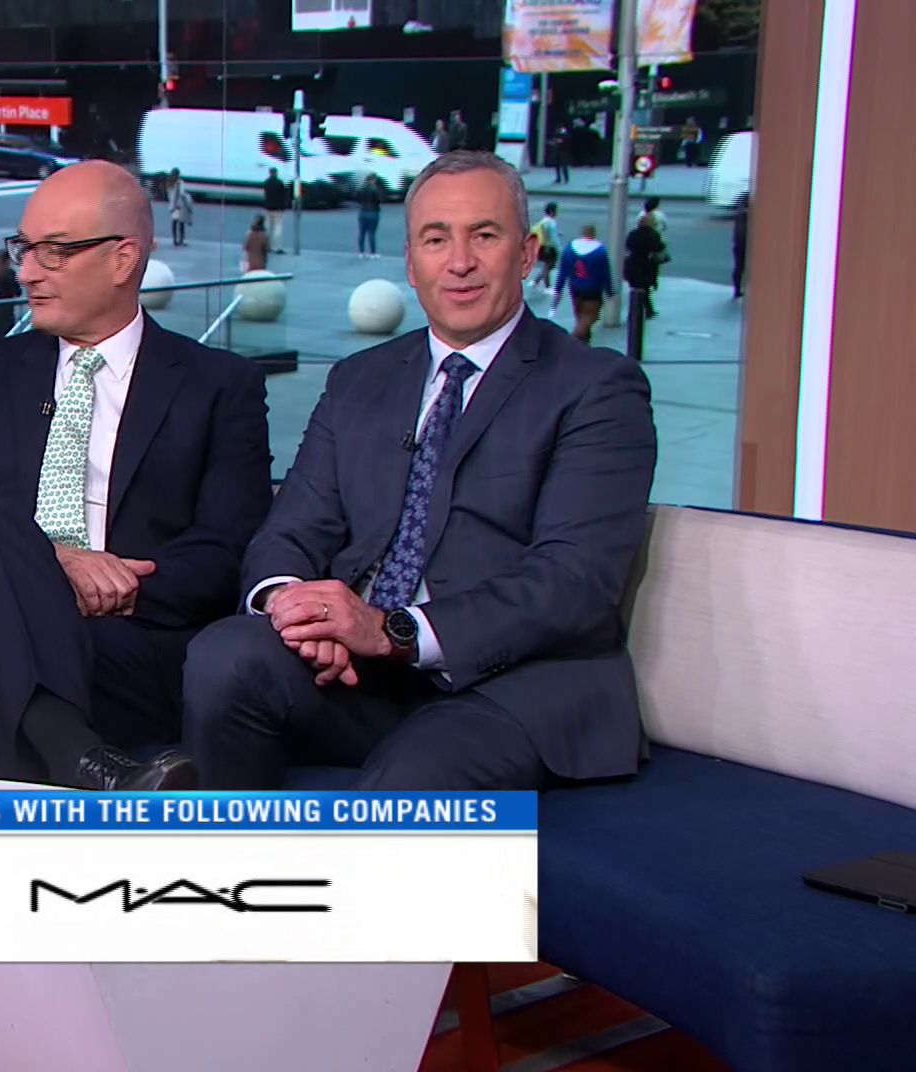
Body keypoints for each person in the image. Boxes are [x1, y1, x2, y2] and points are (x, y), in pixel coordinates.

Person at [182, 151, 657, 792]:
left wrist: (394, 631)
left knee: (416, 773)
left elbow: (573, 580)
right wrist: (294, 607)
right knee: (224, 656)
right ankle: (227, 856)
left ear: (526, 254)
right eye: (436, 240)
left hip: (513, 685)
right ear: (411, 263)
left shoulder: (597, 388)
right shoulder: (360, 380)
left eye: (483, 236)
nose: (459, 262)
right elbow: (292, 527)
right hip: (362, 670)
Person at [0, 161, 273, 791]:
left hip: (125, 643)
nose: (26, 272)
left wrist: (112, 586)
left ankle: (60, 765)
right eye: (23, 249)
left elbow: (226, 550)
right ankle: (85, 760)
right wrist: (48, 566)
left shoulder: (219, 386)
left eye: (54, 251)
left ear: (124, 259)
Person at [555, 223, 615, 343]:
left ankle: (584, 344)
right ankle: (573, 341)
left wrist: (558, 288)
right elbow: (605, 273)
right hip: (593, 289)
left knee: (580, 316)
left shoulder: (570, 248)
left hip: (575, 287)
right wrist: (610, 292)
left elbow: (563, 270)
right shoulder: (600, 250)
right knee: (589, 316)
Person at [623, 210, 668, 322]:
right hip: (646, 264)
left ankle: (642, 310)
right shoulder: (653, 234)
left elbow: (628, 245)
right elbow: (658, 247)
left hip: (632, 264)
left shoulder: (633, 234)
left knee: (636, 289)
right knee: (645, 289)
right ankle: (646, 310)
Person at [529, 201, 561, 291]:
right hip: (548, 247)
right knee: (548, 266)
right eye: (556, 210)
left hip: (544, 246)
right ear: (552, 211)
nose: (558, 212)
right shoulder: (550, 222)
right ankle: (548, 288)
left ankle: (535, 282)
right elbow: (551, 237)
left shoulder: (546, 221)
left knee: (548, 266)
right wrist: (556, 248)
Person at [262, 167, 290, 253]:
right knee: (277, 228)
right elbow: (284, 195)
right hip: (278, 208)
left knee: (267, 227)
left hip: (268, 207)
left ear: (269, 173)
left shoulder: (266, 182)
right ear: (276, 173)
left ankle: (267, 246)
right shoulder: (279, 183)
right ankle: (277, 247)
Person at [355, 174, 383, 258]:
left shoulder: (360, 188)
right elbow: (378, 200)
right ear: (373, 180)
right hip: (373, 212)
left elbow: (356, 198)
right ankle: (372, 253)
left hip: (362, 212)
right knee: (372, 233)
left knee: (362, 233)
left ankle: (361, 253)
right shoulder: (374, 189)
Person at [166, 169, 194, 247]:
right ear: (178, 174)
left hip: (172, 205)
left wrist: (172, 204)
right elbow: (182, 194)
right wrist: (186, 201)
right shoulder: (179, 182)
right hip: (179, 204)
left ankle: (175, 240)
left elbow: (169, 194)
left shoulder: (169, 183)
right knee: (181, 223)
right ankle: (182, 240)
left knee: (174, 222)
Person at [730, 192, 749, 299]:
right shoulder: (745, 213)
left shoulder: (739, 212)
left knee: (739, 267)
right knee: (741, 267)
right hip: (744, 241)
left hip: (738, 241)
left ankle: (737, 290)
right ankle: (738, 289)